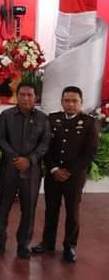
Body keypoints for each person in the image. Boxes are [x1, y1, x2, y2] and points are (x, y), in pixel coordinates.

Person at [32, 86, 99, 263]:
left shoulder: (89, 123)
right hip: (53, 174)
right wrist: (54, 169)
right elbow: (45, 147)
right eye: (67, 100)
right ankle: (48, 243)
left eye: (74, 101)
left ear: (81, 102)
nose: (70, 104)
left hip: (74, 177)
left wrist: (69, 171)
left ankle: (70, 246)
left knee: (72, 211)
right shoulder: (53, 119)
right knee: (51, 210)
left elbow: (90, 153)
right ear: (61, 102)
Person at [0, 81, 51, 259]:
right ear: (17, 96)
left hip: (31, 171)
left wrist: (30, 159)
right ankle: (0, 242)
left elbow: (45, 143)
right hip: (9, 169)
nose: (26, 98)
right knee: (3, 207)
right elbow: (0, 139)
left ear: (36, 97)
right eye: (22, 95)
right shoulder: (6, 116)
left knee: (29, 209)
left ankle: (23, 244)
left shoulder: (43, 119)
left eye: (29, 95)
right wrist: (15, 157)